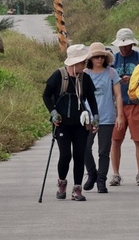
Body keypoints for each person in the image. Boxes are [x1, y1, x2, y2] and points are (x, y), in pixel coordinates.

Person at [42, 43, 100, 202]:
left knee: (80, 156)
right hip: (62, 124)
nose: (85, 65)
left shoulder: (85, 78)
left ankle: (77, 189)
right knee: (66, 155)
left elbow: (92, 100)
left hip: (81, 124)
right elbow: (46, 96)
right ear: (74, 63)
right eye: (83, 62)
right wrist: (53, 113)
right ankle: (62, 183)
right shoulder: (58, 75)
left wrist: (95, 117)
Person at [83, 42, 124, 194]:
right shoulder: (85, 74)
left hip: (107, 116)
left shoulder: (111, 73)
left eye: (102, 57)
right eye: (96, 57)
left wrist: (120, 115)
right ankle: (92, 172)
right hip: (88, 117)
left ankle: (101, 180)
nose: (99, 59)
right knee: (85, 147)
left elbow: (118, 95)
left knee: (104, 151)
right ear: (91, 58)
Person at [110, 27, 139, 187]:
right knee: (115, 140)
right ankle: (115, 174)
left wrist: (133, 79)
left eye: (127, 45)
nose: (124, 49)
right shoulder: (112, 60)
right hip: (116, 106)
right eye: (122, 46)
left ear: (132, 45)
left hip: (136, 104)